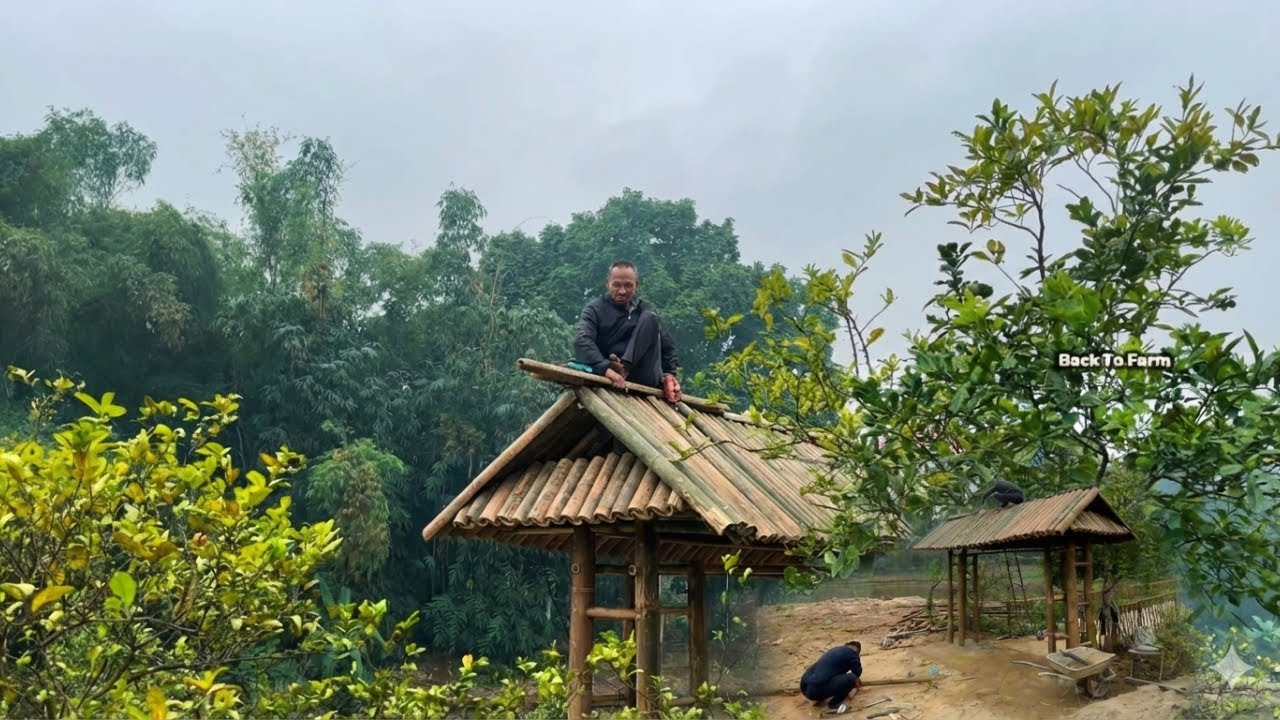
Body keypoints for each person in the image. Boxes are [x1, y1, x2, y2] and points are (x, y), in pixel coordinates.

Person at [574, 261, 682, 403]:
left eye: (628, 285)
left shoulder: (646, 309)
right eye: (616, 285)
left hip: (645, 375)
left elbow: (668, 348)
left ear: (636, 285)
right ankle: (619, 369)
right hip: (609, 371)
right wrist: (606, 368)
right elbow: (581, 340)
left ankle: (624, 368)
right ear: (607, 284)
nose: (622, 291)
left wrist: (669, 375)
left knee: (650, 318)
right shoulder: (594, 309)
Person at [799, 640, 863, 714]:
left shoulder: (834, 651)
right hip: (815, 693)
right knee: (852, 678)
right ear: (857, 653)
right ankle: (834, 704)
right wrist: (854, 683)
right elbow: (857, 672)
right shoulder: (853, 654)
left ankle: (817, 696)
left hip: (805, 689)